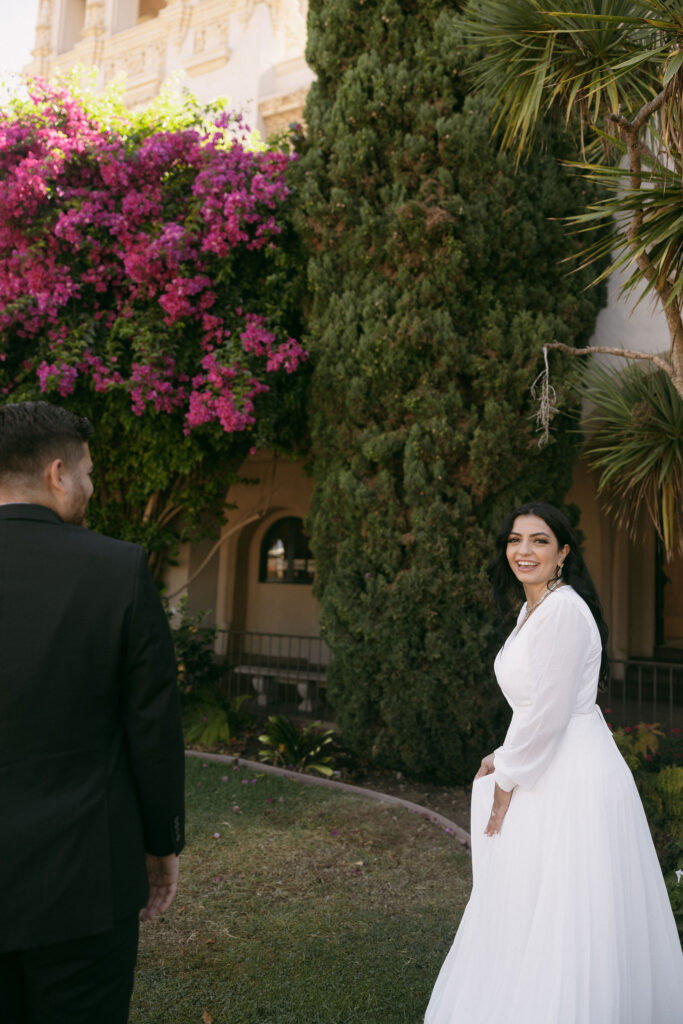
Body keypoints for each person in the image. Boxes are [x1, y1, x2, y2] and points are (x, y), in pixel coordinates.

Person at [425, 501, 683, 1024]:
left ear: (562, 552)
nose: (524, 550)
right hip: (546, 759)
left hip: (572, 779)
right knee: (530, 902)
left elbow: (549, 712)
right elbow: (541, 704)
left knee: (566, 909)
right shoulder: (533, 609)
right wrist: (503, 755)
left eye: (539, 540)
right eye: (515, 539)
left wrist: (506, 783)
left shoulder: (563, 610)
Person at [0, 401, 186, 1024]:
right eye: (87, 473)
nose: (90, 486)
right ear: (57, 473)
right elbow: (153, 730)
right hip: (83, 883)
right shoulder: (118, 568)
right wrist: (162, 845)